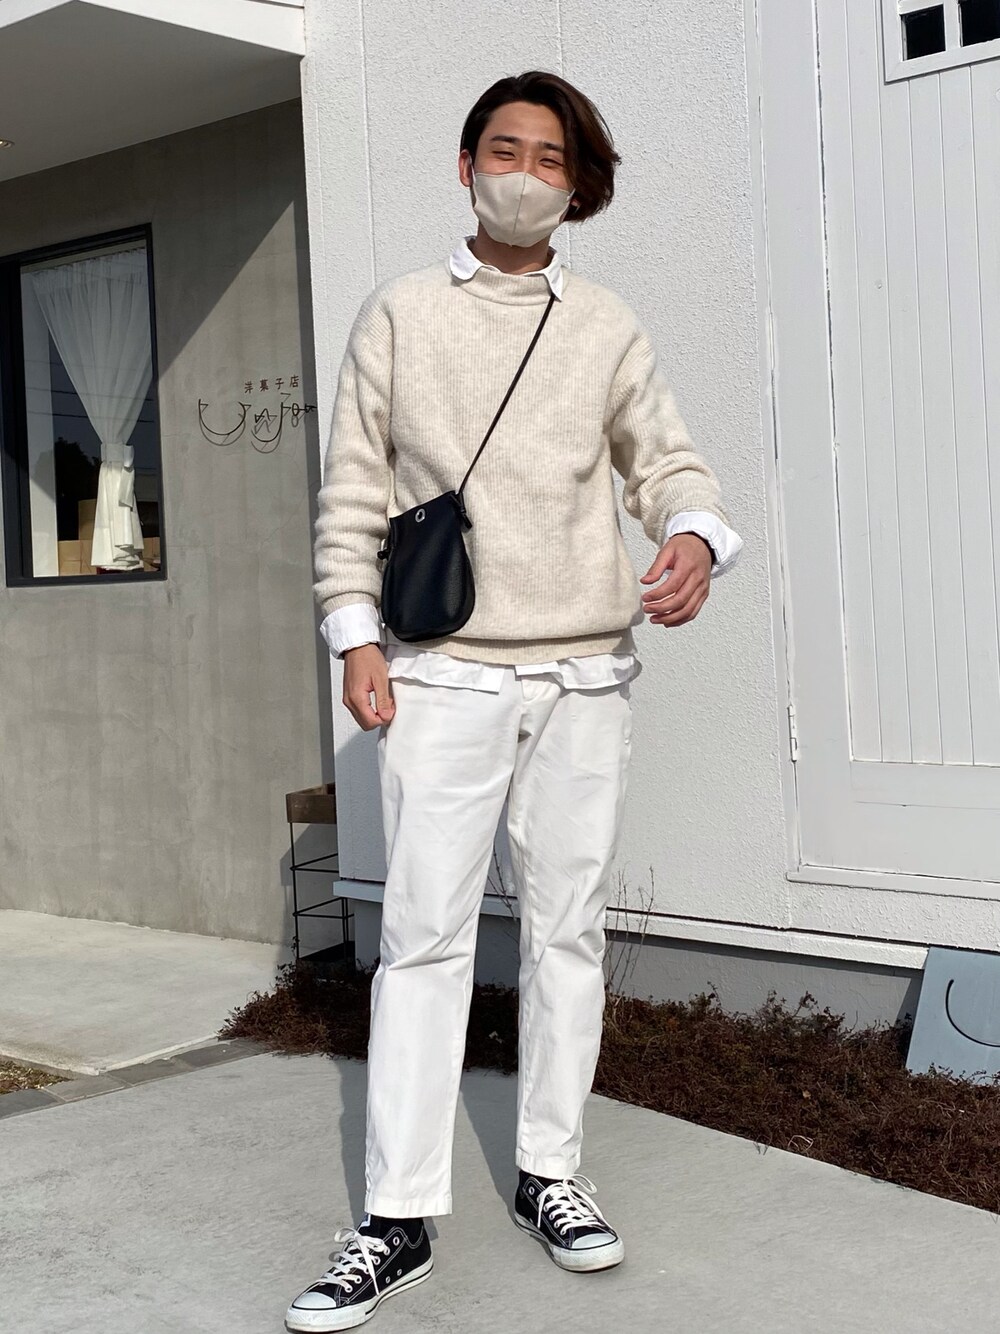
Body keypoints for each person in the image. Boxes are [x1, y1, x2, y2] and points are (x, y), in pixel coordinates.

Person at [286, 70, 742, 1332]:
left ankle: (551, 1171)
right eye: (505, 150)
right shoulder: (399, 314)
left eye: (551, 159)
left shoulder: (604, 324)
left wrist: (693, 534)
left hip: (584, 669)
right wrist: (353, 634)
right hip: (442, 669)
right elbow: (353, 491)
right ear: (464, 164)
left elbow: (669, 460)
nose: (525, 175)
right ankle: (396, 1215)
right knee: (423, 938)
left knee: (566, 933)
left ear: (578, 185)